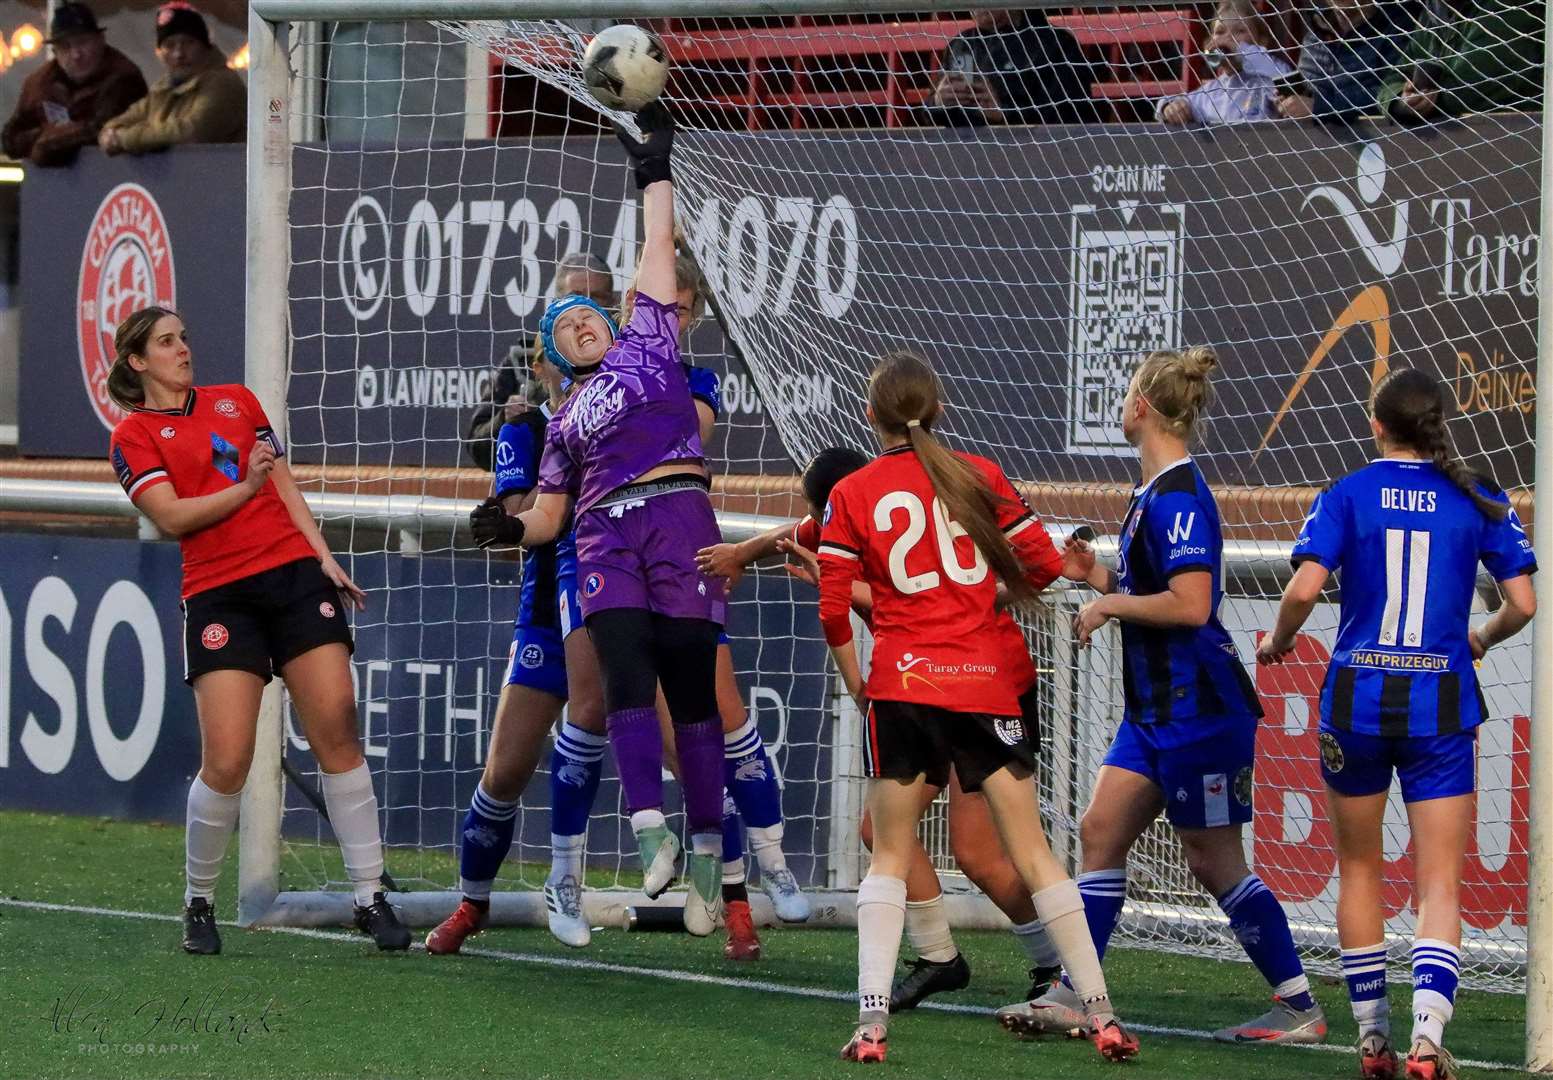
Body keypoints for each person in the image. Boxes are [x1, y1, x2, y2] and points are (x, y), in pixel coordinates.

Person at [818, 351, 1136, 1064]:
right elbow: (1046, 566)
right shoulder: (980, 476)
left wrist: (854, 680)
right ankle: (1102, 1014)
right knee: (1033, 852)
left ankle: (871, 1025)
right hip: (984, 680)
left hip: (902, 683)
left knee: (890, 852)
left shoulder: (855, 491)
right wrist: (980, 598)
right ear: (939, 410)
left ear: (871, 416)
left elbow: (832, 610)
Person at [1003, 347, 1325, 1045]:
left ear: (1141, 406)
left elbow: (1189, 604)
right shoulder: (1151, 492)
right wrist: (1097, 577)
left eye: (1125, 394)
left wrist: (1110, 603)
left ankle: (1299, 1005)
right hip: (1155, 713)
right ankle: (1069, 990)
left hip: (1199, 710)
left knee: (1213, 861)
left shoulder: (1179, 495)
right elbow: (1155, 591)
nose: (1120, 403)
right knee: (1099, 832)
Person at [470, 102, 731, 937]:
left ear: (613, 321)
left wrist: (653, 167)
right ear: (552, 351)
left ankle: (705, 851)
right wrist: (506, 531)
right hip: (605, 535)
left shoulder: (650, 345)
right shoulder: (560, 425)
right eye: (563, 323)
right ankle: (649, 832)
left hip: (679, 525)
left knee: (693, 695)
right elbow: (546, 513)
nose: (580, 318)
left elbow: (659, 248)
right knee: (617, 678)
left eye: (591, 313)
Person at [699, 446, 1069, 1006]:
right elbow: (793, 535)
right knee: (883, 832)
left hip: (989, 687)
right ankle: (940, 955)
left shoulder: (877, 515)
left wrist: (840, 595)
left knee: (981, 854)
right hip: (934, 690)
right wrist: (739, 554)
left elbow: (914, 603)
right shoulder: (853, 511)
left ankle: (1057, 968)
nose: (823, 526)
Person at [1258, 368, 1535, 1080]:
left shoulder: (1345, 493)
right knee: (1438, 881)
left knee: (1358, 867)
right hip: (1437, 702)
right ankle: (1425, 1040)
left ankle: (1372, 1039)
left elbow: (1302, 588)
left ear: (1375, 423)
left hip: (1356, 698)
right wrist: (1482, 636)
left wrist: (1281, 638)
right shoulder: (1479, 498)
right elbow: (1525, 604)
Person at [105, 306, 409, 954]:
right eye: (166, 342)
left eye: (184, 336)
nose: (183, 348)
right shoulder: (133, 435)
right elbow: (171, 517)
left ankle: (369, 896)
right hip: (219, 595)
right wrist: (244, 489)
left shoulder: (236, 401)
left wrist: (322, 556)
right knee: (230, 758)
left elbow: (284, 485)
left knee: (338, 725)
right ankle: (199, 901)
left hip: (294, 576)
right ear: (138, 361)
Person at [426, 351, 606, 954]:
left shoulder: (623, 413)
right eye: (559, 352)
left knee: (691, 748)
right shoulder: (525, 428)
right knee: (504, 772)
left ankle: (733, 897)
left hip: (617, 608)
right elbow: (509, 527)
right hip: (544, 613)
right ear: (542, 363)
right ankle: (471, 903)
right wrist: (505, 513)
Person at [464, 252, 620, 470]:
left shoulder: (628, 359)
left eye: (595, 297)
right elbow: (476, 446)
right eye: (575, 295)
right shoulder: (524, 362)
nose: (584, 305)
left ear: (613, 302)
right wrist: (503, 420)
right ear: (556, 302)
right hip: (538, 493)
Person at [1, 2, 146, 167]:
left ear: (101, 41)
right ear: (55, 53)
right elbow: (10, 140)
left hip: (111, 179)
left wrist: (47, 142)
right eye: (65, 47)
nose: (76, 54)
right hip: (52, 185)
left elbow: (102, 131)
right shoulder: (39, 84)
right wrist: (47, 135)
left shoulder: (123, 78)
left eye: (83, 42)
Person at [99, 2, 244, 156]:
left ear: (205, 46)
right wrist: (111, 135)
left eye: (188, 43)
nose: (178, 54)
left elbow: (192, 132)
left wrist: (125, 138)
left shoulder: (222, 82)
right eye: (169, 45)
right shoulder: (163, 88)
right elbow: (112, 127)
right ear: (159, 52)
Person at [1379, 0, 1542, 123]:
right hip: (1456, 144)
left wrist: (1422, 101)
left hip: (1516, 142)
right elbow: (1392, 79)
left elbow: (1470, 89)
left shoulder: (1506, 8)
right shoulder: (1432, 14)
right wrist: (1398, 100)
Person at [928, 7, 1095, 126]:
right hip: (966, 152)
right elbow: (931, 115)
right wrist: (938, 103)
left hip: (1034, 156)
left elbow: (1070, 118)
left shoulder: (1055, 43)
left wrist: (1003, 114)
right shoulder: (963, 43)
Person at [1275, 0, 1415, 122]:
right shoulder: (1314, 38)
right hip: (1316, 141)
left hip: (1378, 143)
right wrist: (1289, 103)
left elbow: (1392, 94)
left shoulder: (1396, 29)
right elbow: (1309, 95)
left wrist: (1319, 108)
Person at [1158, 0, 1293, 125]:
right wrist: (1170, 107)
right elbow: (1180, 102)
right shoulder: (1211, 91)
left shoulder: (1266, 79)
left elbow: (1285, 76)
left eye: (1240, 31)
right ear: (1210, 43)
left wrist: (1241, 51)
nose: (1228, 38)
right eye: (1220, 32)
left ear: (1261, 41)